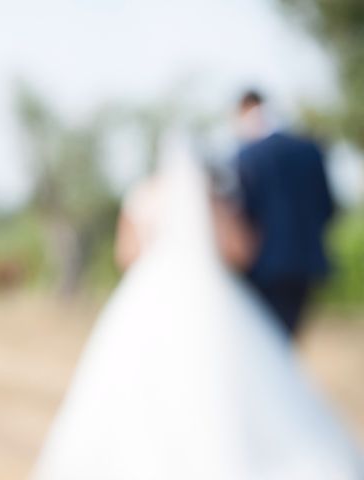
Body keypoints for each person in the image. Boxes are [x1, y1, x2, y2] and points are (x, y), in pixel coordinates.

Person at [30, 137, 362, 480]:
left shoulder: (142, 196)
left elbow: (125, 255)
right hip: (209, 294)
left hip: (149, 290)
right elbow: (241, 251)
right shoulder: (213, 199)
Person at [234, 91, 335, 336]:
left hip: (261, 267)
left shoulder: (246, 156)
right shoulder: (310, 150)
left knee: (268, 339)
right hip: (305, 262)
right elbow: (328, 206)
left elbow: (242, 216)